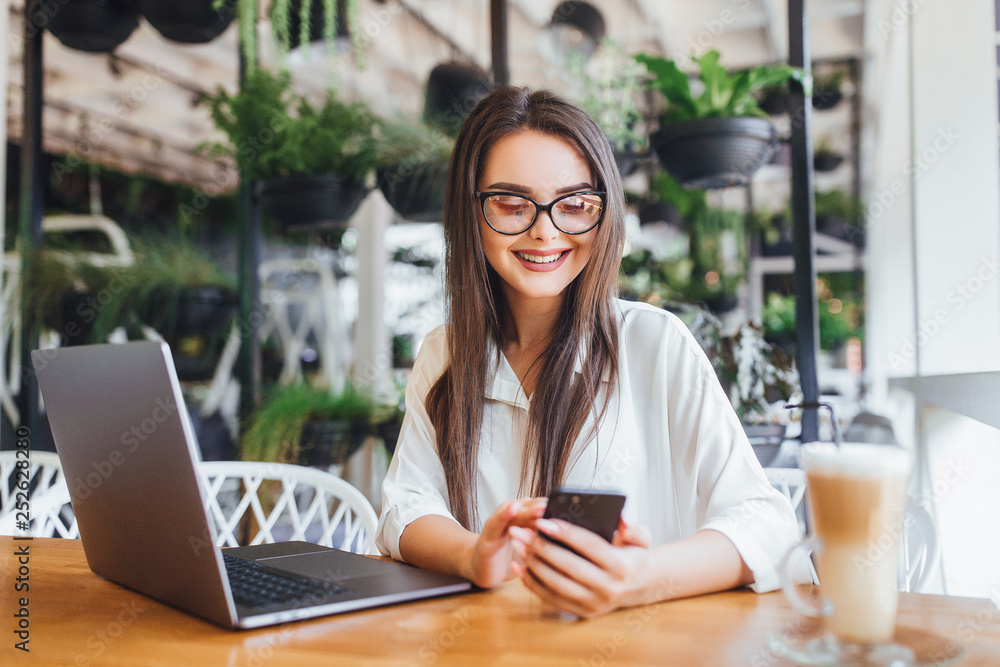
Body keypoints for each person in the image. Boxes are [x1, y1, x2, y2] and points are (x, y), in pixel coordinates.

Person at [375, 86, 800, 619]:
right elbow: (406, 505)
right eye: (510, 203)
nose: (545, 231)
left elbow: (767, 522)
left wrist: (643, 579)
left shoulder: (655, 343)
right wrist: (474, 555)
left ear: (605, 212)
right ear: (471, 211)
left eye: (575, 205)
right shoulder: (445, 352)